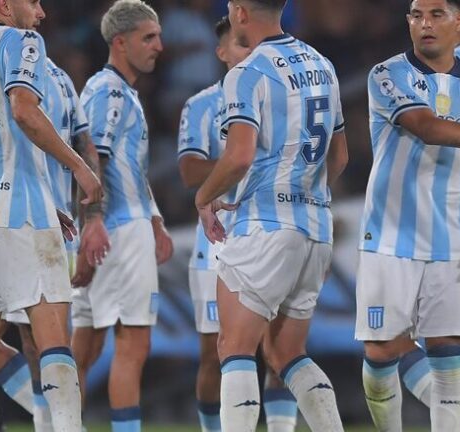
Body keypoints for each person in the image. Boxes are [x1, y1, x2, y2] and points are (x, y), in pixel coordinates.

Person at [354, 0, 460, 430]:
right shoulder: (388, 74)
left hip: (453, 238)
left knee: (449, 355)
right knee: (380, 351)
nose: (424, 24)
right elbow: (426, 126)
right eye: (416, 15)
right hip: (391, 235)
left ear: (459, 21)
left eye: (436, 15)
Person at [0, 0, 104, 429]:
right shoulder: (21, 41)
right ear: (4, 4)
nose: (40, 11)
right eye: (32, 0)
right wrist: (78, 167)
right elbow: (23, 110)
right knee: (53, 340)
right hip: (21, 209)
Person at [194, 0, 349, 430]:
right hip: (316, 226)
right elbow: (340, 156)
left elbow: (238, 157)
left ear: (241, 13)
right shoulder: (322, 65)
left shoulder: (246, 73)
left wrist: (205, 197)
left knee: (235, 348)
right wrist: (308, 193)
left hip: (264, 223)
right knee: (286, 354)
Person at [178, 15, 299, 432]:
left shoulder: (282, 95)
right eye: (241, 45)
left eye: (253, 44)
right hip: (216, 243)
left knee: (278, 349)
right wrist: (240, 164)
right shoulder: (201, 105)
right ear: (221, 52)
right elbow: (189, 170)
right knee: (215, 352)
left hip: (271, 232)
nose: (250, 52)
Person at [71, 1, 173, 430]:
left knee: (86, 349)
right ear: (120, 42)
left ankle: (59, 424)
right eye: (148, 37)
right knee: (133, 345)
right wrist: (93, 223)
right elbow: (92, 158)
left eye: (158, 36)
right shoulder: (109, 92)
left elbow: (126, 168)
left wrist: (156, 220)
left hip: (118, 226)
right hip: (117, 231)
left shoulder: (116, 91)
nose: (159, 46)